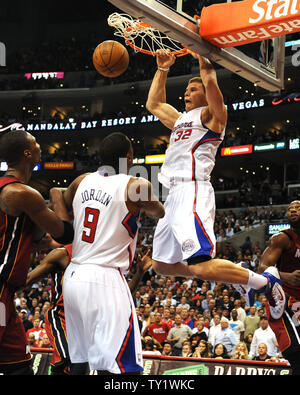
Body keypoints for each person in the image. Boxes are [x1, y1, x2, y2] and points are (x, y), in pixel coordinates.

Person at [145, 49, 285, 313]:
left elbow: (209, 78)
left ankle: (264, 282)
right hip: (172, 195)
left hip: (192, 190)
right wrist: (162, 69)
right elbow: (153, 104)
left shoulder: (212, 116)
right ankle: (234, 273)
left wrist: (202, 52)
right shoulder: (180, 120)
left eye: (193, 88)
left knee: (200, 264)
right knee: (160, 265)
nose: (187, 92)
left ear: (205, 95)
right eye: (186, 89)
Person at [51, 132, 165, 375]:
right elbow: (160, 212)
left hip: (73, 277)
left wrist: (66, 232)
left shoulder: (82, 180)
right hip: (104, 277)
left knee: (80, 361)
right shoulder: (136, 185)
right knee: (119, 367)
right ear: (129, 157)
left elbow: (56, 193)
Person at [0, 130, 74, 375]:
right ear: (27, 153)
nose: (41, 147)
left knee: (18, 365)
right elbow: (65, 234)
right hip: (0, 288)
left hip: (7, 294)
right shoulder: (23, 193)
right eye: (36, 144)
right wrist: (56, 196)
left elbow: (41, 241)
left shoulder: (12, 192)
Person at [258, 200, 300, 374]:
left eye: (297, 208)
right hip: (283, 298)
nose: (293, 210)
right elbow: (262, 268)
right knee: (295, 349)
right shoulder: (283, 238)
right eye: (290, 208)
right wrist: (287, 276)